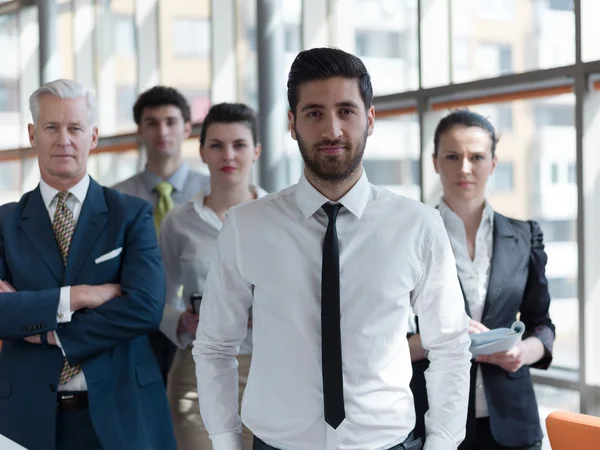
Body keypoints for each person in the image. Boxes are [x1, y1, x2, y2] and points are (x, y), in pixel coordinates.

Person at [193, 47, 472, 450]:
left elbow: (449, 344)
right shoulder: (246, 226)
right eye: (314, 113)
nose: (332, 130)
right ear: (292, 123)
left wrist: (443, 443)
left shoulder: (418, 226)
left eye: (346, 111)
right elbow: (216, 344)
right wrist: (225, 441)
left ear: (370, 119)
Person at [0, 79, 176, 450]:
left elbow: (145, 308)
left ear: (93, 136)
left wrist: (49, 332)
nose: (64, 139)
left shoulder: (130, 215)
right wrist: (77, 296)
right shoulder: (5, 222)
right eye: (52, 127)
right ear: (33, 134)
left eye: (75, 128)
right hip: (26, 417)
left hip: (122, 411)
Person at [409, 110, 555, 450]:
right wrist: (442, 337)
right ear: (434, 161)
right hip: (432, 419)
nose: (464, 168)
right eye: (452, 156)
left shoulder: (525, 235)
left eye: (476, 157)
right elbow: (385, 341)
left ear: (493, 162)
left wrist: (522, 351)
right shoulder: (409, 237)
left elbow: (542, 326)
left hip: (512, 422)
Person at [159, 102, 263, 449]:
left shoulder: (280, 219)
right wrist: (181, 322)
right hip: (196, 372)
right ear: (202, 152)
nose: (228, 155)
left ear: (256, 152)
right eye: (216, 145)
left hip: (269, 371)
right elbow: (156, 299)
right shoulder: (178, 222)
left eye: (239, 145)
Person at [113, 85, 210, 384]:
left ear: (187, 128)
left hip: (198, 329)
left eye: (170, 122)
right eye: (151, 123)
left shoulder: (211, 193)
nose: (162, 131)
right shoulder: (116, 198)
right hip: (135, 328)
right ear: (139, 131)